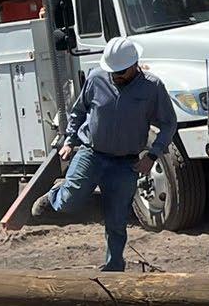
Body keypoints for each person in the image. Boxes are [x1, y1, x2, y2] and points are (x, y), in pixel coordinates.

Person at [32, 36, 178, 271]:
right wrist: (69, 140)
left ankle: (114, 268)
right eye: (112, 71)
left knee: (117, 219)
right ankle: (54, 196)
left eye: (120, 72)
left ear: (134, 65)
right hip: (92, 153)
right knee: (69, 200)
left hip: (126, 163)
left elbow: (169, 123)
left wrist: (152, 155)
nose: (115, 76)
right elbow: (79, 111)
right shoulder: (96, 78)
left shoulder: (152, 87)